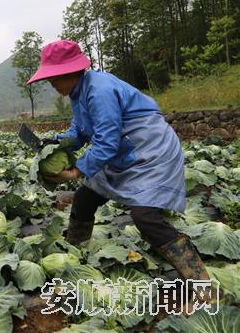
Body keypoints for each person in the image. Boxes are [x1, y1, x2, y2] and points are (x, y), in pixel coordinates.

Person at [27, 39, 209, 283]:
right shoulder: (78, 92)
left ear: (71, 71)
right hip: (123, 153)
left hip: (151, 152)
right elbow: (80, 132)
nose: (51, 83)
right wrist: (56, 143)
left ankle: (204, 286)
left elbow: (106, 143)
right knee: (84, 199)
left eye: (54, 77)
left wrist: (76, 171)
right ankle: (76, 257)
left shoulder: (99, 90)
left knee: (146, 217)